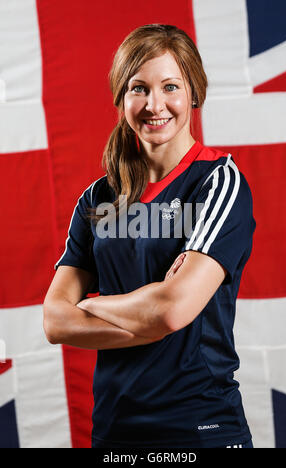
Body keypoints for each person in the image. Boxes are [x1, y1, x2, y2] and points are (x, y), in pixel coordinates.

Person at [43, 24, 256, 449]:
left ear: (195, 93)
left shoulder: (218, 183)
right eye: (139, 88)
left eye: (170, 86)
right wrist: (152, 312)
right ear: (121, 98)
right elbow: (54, 320)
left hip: (201, 428)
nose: (154, 104)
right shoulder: (99, 198)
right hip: (115, 430)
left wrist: (91, 305)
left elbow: (172, 311)